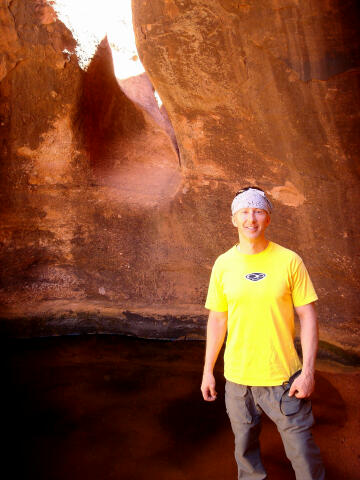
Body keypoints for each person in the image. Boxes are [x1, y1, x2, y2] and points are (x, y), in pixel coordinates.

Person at [201, 187, 325, 480]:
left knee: (306, 462)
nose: (250, 219)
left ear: (268, 218)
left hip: (284, 380)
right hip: (238, 383)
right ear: (234, 219)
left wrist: (308, 372)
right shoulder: (223, 265)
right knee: (247, 462)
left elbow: (308, 317)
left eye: (258, 211)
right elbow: (218, 320)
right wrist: (208, 371)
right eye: (244, 211)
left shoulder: (289, 261)